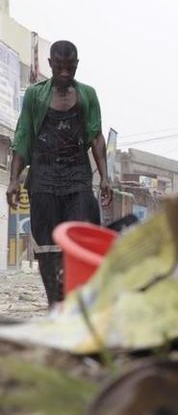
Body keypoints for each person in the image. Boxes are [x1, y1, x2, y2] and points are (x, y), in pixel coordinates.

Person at [7, 40, 112, 306]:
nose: (65, 73)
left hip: (77, 176)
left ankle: (80, 301)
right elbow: (23, 137)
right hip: (42, 178)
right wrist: (13, 181)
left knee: (83, 234)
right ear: (51, 65)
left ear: (76, 65)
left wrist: (105, 178)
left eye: (70, 67)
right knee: (47, 244)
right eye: (60, 67)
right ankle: (56, 302)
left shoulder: (88, 95)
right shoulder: (34, 95)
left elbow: (96, 138)